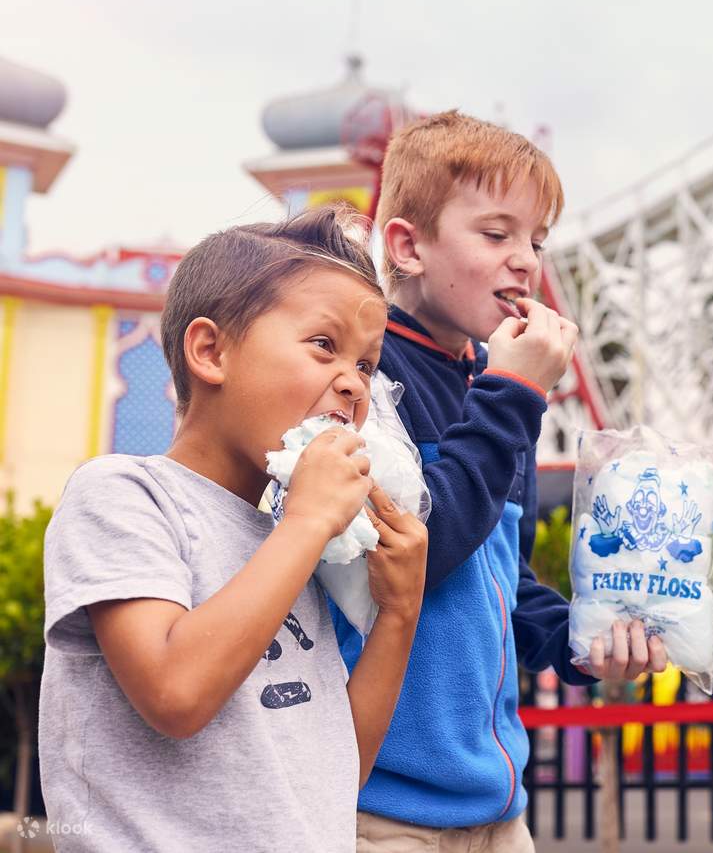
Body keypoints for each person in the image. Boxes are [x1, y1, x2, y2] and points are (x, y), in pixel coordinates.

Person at [39, 206, 428, 852]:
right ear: (210, 351)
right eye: (324, 345)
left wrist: (398, 613)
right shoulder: (121, 494)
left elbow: (334, 775)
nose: (352, 386)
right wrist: (304, 523)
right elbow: (175, 691)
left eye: (366, 365)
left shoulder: (294, 538)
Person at [341, 110, 667, 852]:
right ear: (407, 245)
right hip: (381, 806)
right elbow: (417, 551)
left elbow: (501, 577)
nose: (525, 260)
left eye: (536, 240)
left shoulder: (493, 386)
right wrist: (513, 395)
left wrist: (581, 640)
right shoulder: (367, 376)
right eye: (495, 234)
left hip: (498, 804)